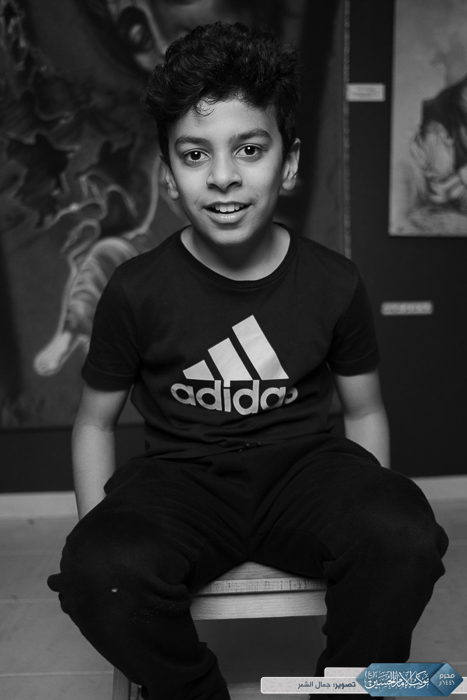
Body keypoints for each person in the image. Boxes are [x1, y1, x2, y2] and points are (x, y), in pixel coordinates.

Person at [48, 21, 449, 700]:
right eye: (194, 154)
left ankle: (346, 691)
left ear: (288, 164)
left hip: (305, 473)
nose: (223, 176)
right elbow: (93, 422)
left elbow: (364, 410)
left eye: (250, 149)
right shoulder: (136, 288)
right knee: (98, 568)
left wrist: (368, 522)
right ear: (169, 175)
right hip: (181, 480)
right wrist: (100, 535)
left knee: (401, 531)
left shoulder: (334, 281)